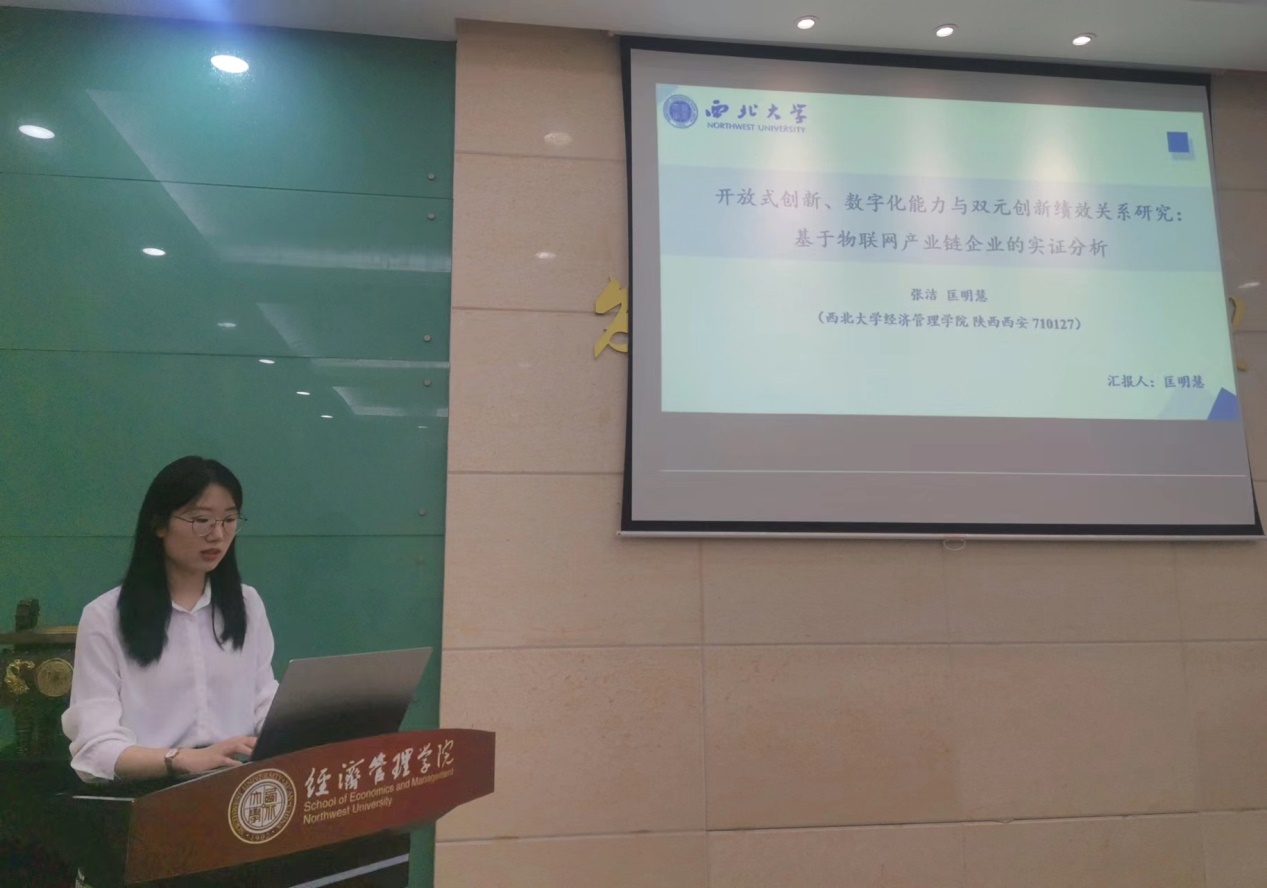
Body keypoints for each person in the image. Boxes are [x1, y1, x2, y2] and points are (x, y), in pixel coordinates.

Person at [62, 456, 279, 783]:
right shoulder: (104, 617)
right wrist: (181, 759)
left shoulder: (247, 604)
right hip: (152, 790)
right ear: (159, 525)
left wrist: (301, 729)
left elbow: (263, 701)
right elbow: (95, 748)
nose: (217, 534)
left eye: (229, 519)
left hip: (239, 785)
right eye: (201, 520)